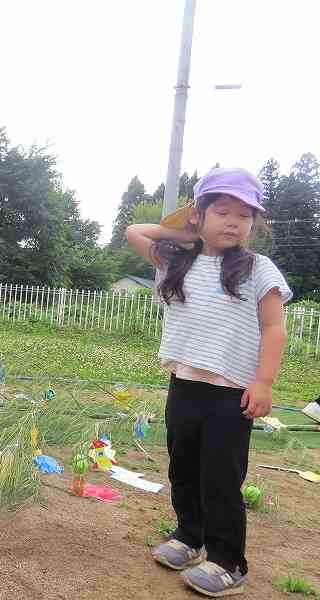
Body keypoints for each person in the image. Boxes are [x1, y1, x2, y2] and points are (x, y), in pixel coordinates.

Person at [126, 167, 292, 597]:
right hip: (184, 386)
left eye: (244, 215)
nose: (234, 222)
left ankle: (227, 561)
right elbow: (134, 232)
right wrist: (185, 233)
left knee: (220, 478)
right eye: (222, 211)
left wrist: (264, 382)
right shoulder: (178, 261)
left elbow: (274, 329)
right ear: (198, 215)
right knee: (183, 467)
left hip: (230, 395)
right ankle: (189, 537)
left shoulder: (258, 268)